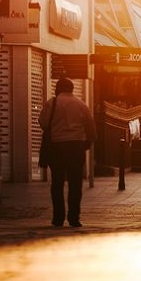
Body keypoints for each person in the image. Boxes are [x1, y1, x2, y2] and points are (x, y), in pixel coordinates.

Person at [40, 77, 93, 227]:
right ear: (72, 89)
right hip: (76, 146)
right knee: (75, 183)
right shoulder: (81, 104)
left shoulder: (52, 103)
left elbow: (43, 123)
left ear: (58, 88)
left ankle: (58, 218)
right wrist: (86, 143)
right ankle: (74, 218)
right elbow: (91, 126)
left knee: (57, 182)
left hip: (57, 146)